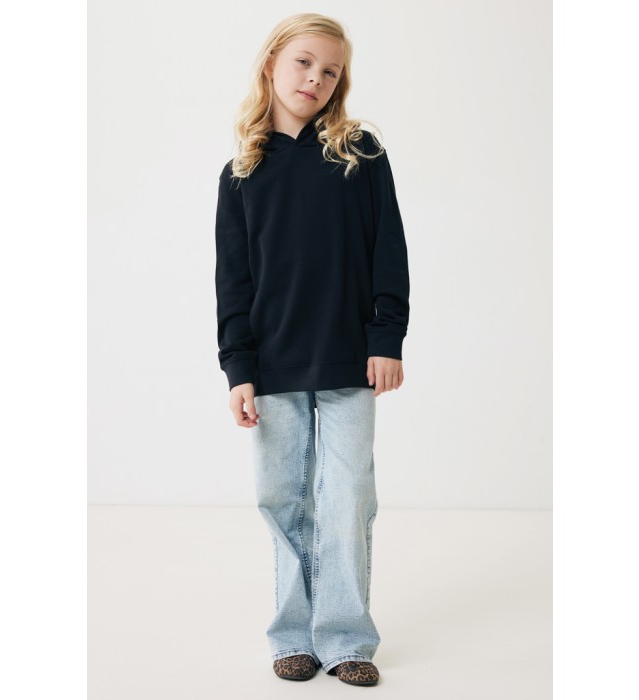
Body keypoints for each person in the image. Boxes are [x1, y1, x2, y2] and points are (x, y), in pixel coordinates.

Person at [214, 13, 410, 688]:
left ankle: (347, 639)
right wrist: (239, 369)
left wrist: (387, 337)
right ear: (272, 62)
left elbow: (389, 249)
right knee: (283, 500)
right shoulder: (242, 173)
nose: (316, 78)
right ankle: (294, 636)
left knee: (347, 497)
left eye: (330, 71)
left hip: (351, 358)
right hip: (272, 364)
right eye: (304, 62)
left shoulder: (360, 154)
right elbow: (233, 282)